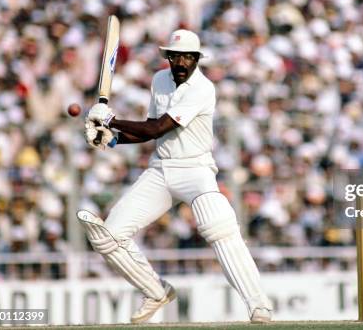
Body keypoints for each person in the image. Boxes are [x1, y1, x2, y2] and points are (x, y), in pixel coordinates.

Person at [79, 29, 272, 324]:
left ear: (196, 59)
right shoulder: (159, 80)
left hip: (196, 170)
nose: (181, 62)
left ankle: (259, 307)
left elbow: (159, 129)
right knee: (109, 236)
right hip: (161, 168)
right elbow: (150, 127)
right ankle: (155, 291)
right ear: (167, 57)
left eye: (187, 57)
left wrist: (109, 119)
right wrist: (113, 139)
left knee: (220, 229)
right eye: (175, 56)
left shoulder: (202, 88)